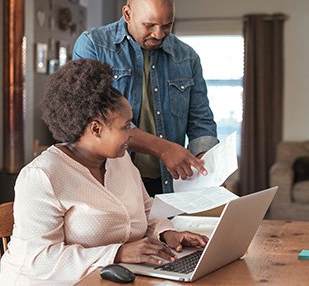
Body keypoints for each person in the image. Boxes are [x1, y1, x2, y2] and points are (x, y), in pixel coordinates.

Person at [0, 59, 208, 286]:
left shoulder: (120, 160)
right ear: (96, 129)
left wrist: (167, 233)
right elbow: (40, 260)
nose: (132, 134)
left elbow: (146, 210)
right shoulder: (43, 176)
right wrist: (117, 253)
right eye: (126, 126)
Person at [73, 0, 218, 196]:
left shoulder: (188, 58)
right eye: (149, 25)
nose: (159, 34)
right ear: (127, 14)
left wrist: (205, 166)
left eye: (167, 25)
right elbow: (98, 120)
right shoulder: (93, 46)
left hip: (166, 185)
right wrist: (164, 149)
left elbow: (201, 122)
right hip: (108, 183)